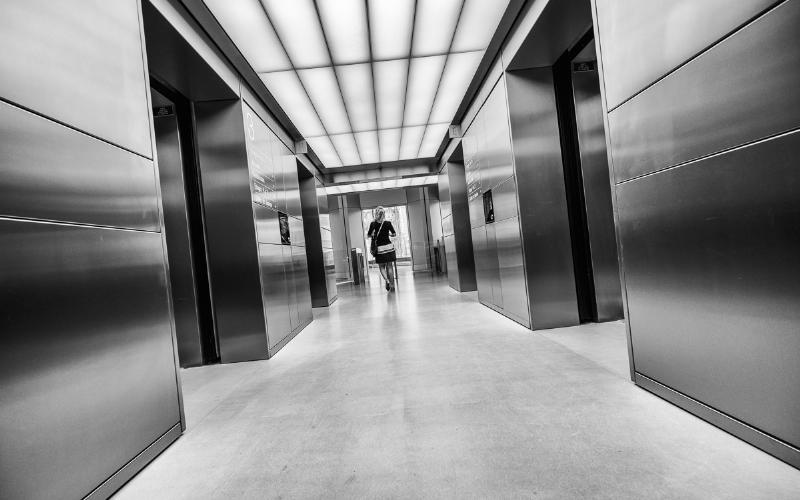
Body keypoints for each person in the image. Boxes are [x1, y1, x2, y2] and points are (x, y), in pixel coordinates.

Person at [367, 206, 397, 291]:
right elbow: (394, 234)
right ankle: (392, 285)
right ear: (384, 214)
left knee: (381, 267)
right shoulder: (388, 223)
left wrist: (373, 234)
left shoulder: (373, 224)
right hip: (389, 247)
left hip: (380, 249)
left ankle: (387, 281)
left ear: (376, 213)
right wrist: (389, 235)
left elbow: (369, 235)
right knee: (390, 266)